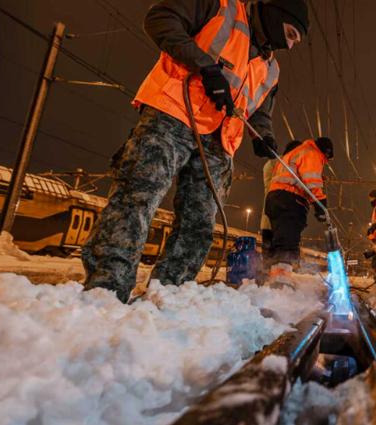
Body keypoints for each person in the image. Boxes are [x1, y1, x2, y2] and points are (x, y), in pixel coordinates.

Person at [82, 0, 310, 302]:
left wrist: (264, 135)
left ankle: (169, 294)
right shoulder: (221, 7)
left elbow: (260, 113)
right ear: (277, 13)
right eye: (292, 34)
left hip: (220, 142)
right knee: (138, 197)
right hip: (172, 115)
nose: (291, 45)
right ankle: (105, 290)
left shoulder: (272, 69)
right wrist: (204, 66)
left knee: (199, 222)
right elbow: (160, 19)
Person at [264, 137, 333, 271]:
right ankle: (281, 281)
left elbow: (298, 176)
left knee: (278, 239)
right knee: (288, 240)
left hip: (275, 199)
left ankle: (271, 276)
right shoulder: (313, 153)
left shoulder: (296, 152)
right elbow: (312, 181)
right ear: (326, 152)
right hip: (290, 199)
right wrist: (321, 204)